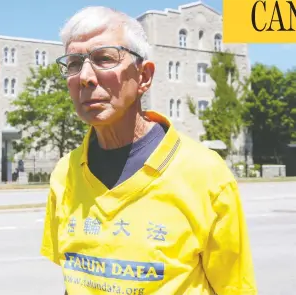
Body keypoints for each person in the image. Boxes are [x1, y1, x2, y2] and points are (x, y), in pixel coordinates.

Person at [40, 6, 257, 295]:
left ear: (144, 77)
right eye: (74, 63)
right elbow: (75, 279)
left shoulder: (205, 174)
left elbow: (234, 288)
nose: (85, 77)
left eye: (104, 58)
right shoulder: (65, 173)